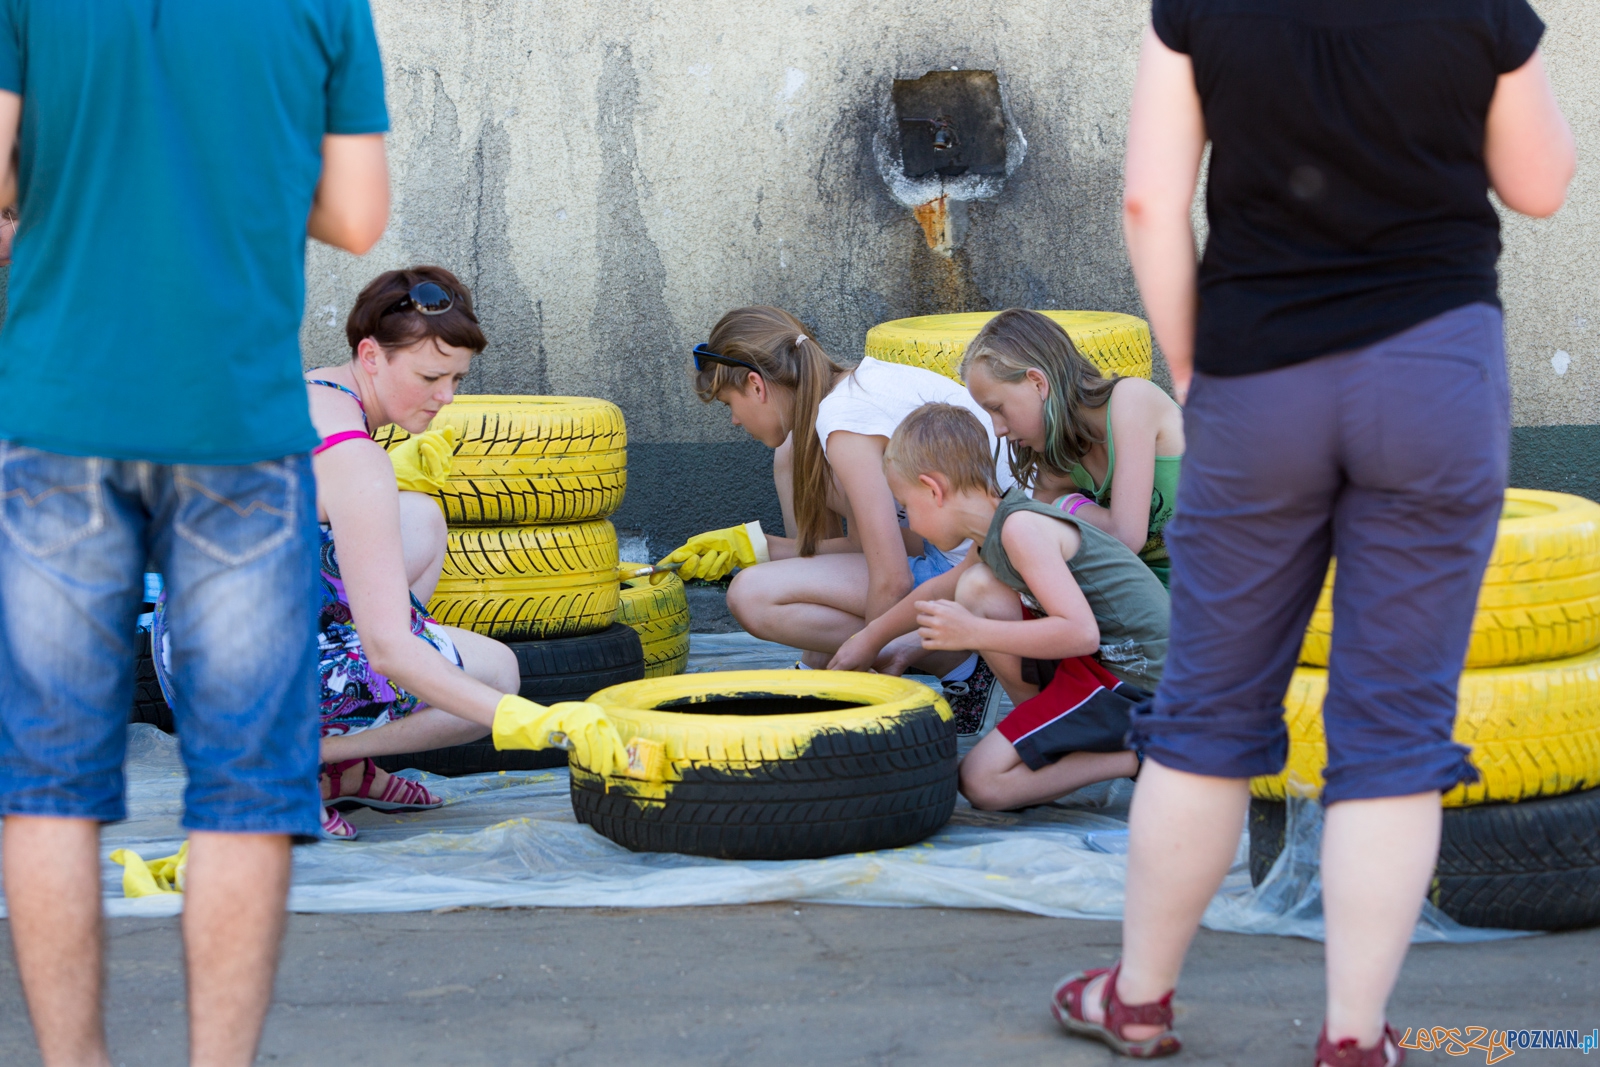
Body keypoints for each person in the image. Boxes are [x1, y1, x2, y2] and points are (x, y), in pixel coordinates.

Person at [1051, 3, 1576, 1063]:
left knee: (1205, 710)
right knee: (1392, 727)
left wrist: (1194, 366)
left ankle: (1139, 999)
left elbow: (1151, 199)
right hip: (1434, 375)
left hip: (1260, 376)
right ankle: (1350, 1036)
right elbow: (1540, 181)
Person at [0, 2, 389, 1064]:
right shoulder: (321, 8)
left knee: (45, 781)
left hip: (57, 419)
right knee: (246, 786)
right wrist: (243, 169)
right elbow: (358, 215)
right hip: (237, 430)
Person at [656, 305, 1015, 732]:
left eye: (729, 404)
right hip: (969, 559)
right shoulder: (854, 387)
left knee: (751, 595)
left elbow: (892, 577)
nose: (734, 419)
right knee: (790, 453)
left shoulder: (843, 422)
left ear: (756, 385)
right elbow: (878, 546)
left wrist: (854, 687)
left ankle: (963, 664)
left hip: (988, 578)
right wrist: (755, 546)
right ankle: (940, 657)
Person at [302, 267, 520, 838]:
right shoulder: (354, 457)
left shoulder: (313, 390)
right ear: (371, 355)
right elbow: (389, 650)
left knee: (420, 516)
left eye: (456, 379)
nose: (446, 398)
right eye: (430, 376)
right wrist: (526, 720)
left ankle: (342, 764)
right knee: (497, 676)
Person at [884, 404, 1169, 810]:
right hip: (1101, 670)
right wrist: (870, 640)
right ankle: (1052, 734)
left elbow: (1080, 632)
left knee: (982, 783)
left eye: (905, 506)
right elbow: (943, 587)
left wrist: (972, 633)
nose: (908, 522)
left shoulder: (1020, 528)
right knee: (978, 586)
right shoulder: (998, 527)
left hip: (1141, 686)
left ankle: (1145, 754)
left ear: (933, 489)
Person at [962, 308, 1184, 586]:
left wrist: (1067, 504)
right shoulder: (1060, 465)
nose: (999, 429)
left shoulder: (1132, 401)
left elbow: (1126, 536)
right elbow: (1031, 548)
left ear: (1037, 382)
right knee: (981, 583)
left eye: (998, 409)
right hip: (1151, 592)